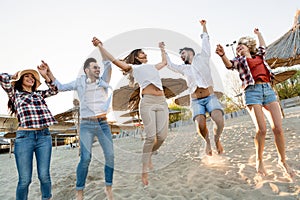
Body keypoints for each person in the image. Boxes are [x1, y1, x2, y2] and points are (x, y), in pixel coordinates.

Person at [215, 28, 295, 178]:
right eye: (237, 47)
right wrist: (223, 55)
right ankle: (259, 161)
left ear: (248, 47)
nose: (238, 47)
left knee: (278, 128)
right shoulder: (239, 61)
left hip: (268, 90)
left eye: (241, 45)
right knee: (262, 130)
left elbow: (263, 46)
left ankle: (282, 161)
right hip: (252, 93)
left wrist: (258, 34)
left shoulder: (259, 56)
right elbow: (229, 65)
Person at [92, 37, 169, 186]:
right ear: (136, 57)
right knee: (150, 136)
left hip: (162, 102)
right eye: (141, 53)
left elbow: (164, 62)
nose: (144, 55)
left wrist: (162, 48)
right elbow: (114, 60)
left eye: (144, 53)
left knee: (162, 136)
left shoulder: (153, 67)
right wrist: (100, 46)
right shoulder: (134, 68)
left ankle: (150, 154)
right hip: (147, 102)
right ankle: (144, 170)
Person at [43, 41, 114, 199]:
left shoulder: (104, 81)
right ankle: (79, 190)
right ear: (87, 70)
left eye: (98, 67)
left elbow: (108, 63)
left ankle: (108, 187)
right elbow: (60, 86)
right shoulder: (79, 82)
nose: (98, 69)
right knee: (86, 158)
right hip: (87, 125)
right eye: (95, 67)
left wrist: (100, 47)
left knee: (110, 155)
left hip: (103, 124)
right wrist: (49, 72)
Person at [166, 20, 224, 156]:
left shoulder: (203, 57)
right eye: (180, 55)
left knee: (219, 121)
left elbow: (205, 41)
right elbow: (170, 65)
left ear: (190, 52)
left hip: (210, 97)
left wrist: (204, 26)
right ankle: (208, 142)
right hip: (196, 100)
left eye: (183, 53)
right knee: (200, 125)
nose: (181, 56)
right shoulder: (183, 68)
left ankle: (217, 139)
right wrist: (163, 50)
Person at [0, 66, 58, 200]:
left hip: (44, 136)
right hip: (24, 138)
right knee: (25, 180)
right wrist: (14, 74)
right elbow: (2, 78)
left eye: (32, 77)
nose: (31, 78)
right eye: (27, 76)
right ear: (20, 80)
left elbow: (54, 90)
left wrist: (46, 75)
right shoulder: (15, 93)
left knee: (44, 176)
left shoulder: (39, 94)